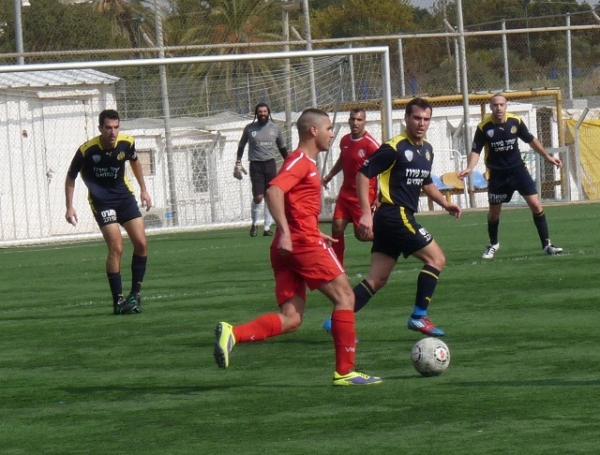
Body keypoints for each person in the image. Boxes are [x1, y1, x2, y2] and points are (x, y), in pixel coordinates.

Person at [214, 108, 382, 386]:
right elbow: (274, 190)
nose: (332, 134)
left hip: (293, 244)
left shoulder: (306, 163)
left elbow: (295, 204)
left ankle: (233, 333)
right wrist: (286, 231)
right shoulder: (301, 161)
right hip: (301, 243)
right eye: (328, 128)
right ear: (313, 131)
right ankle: (345, 371)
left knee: (291, 319)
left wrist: (309, 229)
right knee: (345, 298)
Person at [337, 97, 462, 337]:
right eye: (417, 118)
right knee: (436, 259)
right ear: (406, 119)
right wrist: (366, 214)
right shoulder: (394, 147)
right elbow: (363, 174)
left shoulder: (427, 150)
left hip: (392, 219)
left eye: (426, 119)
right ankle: (418, 316)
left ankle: (337, 320)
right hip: (396, 214)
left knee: (377, 278)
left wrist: (445, 203)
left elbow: (426, 182)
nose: (421, 123)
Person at [65, 109, 152, 315]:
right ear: (100, 128)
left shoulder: (127, 143)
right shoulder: (87, 150)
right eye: (108, 128)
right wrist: (69, 206)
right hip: (102, 201)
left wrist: (143, 189)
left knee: (141, 243)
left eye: (116, 127)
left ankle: (135, 294)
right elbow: (70, 177)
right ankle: (118, 302)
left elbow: (135, 161)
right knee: (117, 247)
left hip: (124, 197)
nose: (113, 132)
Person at [458, 93, 563, 259]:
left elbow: (531, 140)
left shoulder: (515, 122)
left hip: (518, 171)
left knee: (536, 205)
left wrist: (548, 157)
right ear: (491, 107)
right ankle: (493, 244)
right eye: (495, 105)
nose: (498, 108)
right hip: (497, 175)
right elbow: (476, 150)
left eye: (501, 104)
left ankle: (547, 245)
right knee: (494, 214)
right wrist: (469, 168)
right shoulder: (484, 127)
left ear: (506, 106)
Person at [321, 108, 380, 266]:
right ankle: (337, 267)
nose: (355, 123)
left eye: (359, 120)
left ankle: (391, 240)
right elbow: (343, 159)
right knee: (337, 227)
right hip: (345, 193)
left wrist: (379, 195)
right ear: (348, 121)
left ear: (365, 122)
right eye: (353, 119)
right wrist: (330, 175)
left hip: (363, 196)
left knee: (362, 235)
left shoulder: (371, 145)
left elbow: (384, 169)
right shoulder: (345, 140)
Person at [235, 103, 288, 237]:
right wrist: (238, 161)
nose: (262, 114)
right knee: (258, 197)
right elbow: (241, 145)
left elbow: (282, 147)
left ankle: (267, 227)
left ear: (268, 113)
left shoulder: (275, 128)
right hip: (256, 165)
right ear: (256, 113)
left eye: (265, 111)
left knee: (270, 196)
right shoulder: (249, 128)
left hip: (270, 164)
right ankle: (254, 224)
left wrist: (288, 162)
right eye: (260, 112)